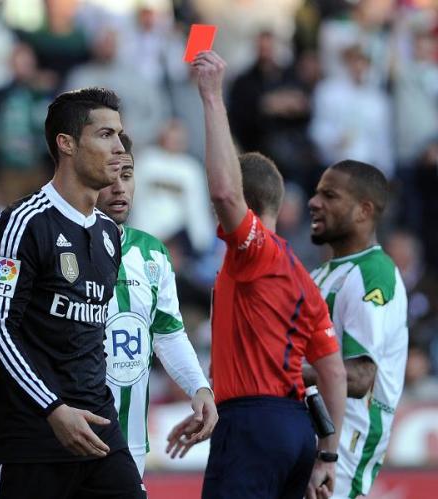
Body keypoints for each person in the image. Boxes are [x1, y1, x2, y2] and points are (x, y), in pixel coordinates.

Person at [0, 133, 218, 477]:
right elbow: (2, 331)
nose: (119, 187)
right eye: (111, 175)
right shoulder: (37, 233)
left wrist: (199, 387)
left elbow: (168, 333)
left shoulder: (153, 254)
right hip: (51, 436)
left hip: (124, 443)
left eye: (128, 175)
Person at [166, 51, 347, 499]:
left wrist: (211, 96)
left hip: (254, 426)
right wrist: (327, 454)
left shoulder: (255, 251)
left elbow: (226, 190)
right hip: (293, 429)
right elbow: (334, 373)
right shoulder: (301, 275)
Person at [0, 87, 146, 499]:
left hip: (98, 434)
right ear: (66, 144)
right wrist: (52, 408)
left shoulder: (109, 235)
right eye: (105, 135)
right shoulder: (21, 225)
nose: (119, 148)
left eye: (120, 136)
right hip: (27, 442)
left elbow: (88, 336)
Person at [306, 160, 409, 498]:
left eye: (330, 195)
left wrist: (276, 370)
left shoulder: (372, 274)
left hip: (344, 448)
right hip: (311, 440)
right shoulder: (321, 274)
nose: (314, 202)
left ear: (364, 211)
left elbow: (360, 376)